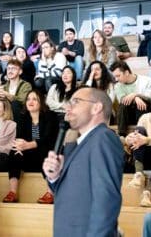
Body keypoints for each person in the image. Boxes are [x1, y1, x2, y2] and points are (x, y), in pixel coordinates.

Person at [43, 87, 124, 236]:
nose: (68, 107)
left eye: (76, 101)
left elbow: (106, 199)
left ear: (96, 107)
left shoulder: (103, 138)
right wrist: (55, 178)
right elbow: (74, 195)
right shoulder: (76, 145)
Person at [2, 90, 58, 204]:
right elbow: (19, 137)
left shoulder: (50, 116)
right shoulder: (23, 117)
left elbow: (49, 139)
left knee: (48, 152)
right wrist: (19, 145)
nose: (30, 101)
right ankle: (12, 192)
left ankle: (50, 193)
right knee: (14, 151)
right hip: (29, 157)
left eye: (34, 99)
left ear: (41, 102)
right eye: (28, 99)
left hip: (45, 154)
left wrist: (28, 144)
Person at [110, 61, 151, 136]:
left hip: (145, 112)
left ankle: (140, 133)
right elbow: (122, 99)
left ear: (127, 72)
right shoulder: (117, 86)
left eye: (118, 76)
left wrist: (136, 95)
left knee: (141, 102)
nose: (116, 79)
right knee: (124, 103)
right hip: (128, 115)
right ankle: (122, 135)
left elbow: (150, 98)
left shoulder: (147, 80)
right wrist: (135, 98)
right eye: (115, 77)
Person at [0, 59, 32, 124]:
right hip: (6, 112)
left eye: (13, 68)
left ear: (20, 71)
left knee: (15, 104)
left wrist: (7, 95)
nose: (10, 71)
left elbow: (22, 100)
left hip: (21, 113)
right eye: (8, 69)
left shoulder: (26, 85)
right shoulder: (4, 87)